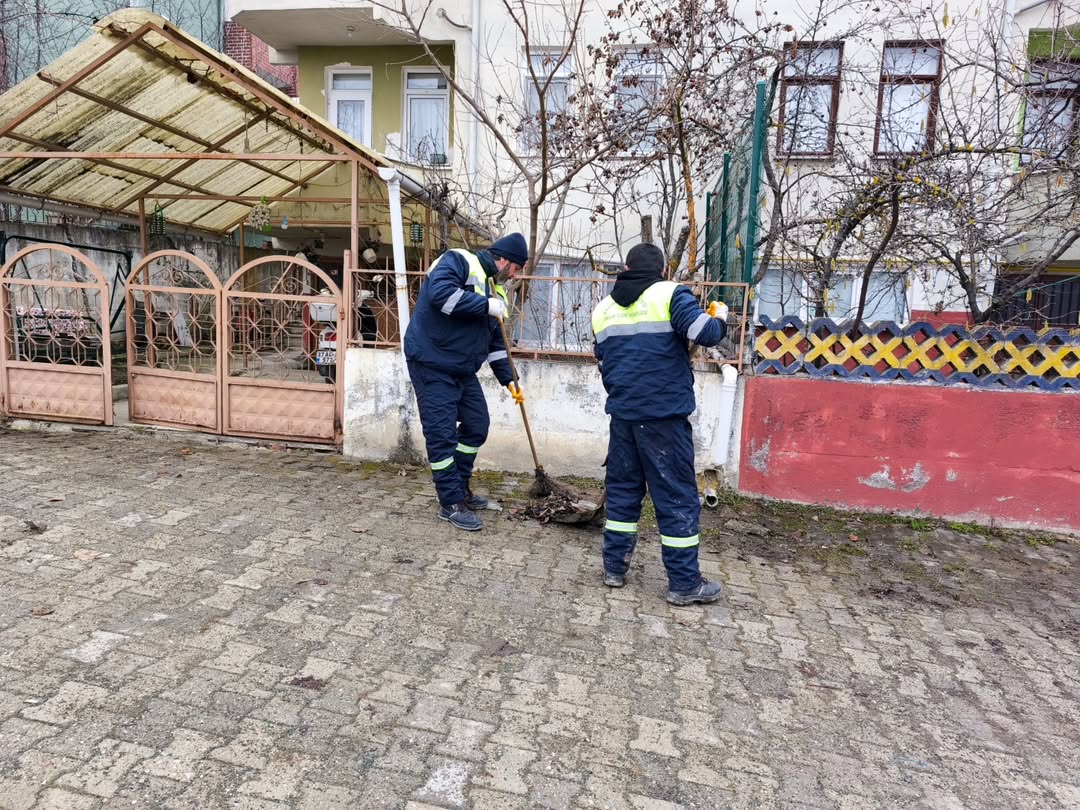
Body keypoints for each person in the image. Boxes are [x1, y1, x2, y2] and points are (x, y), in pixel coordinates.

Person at [591, 242, 729, 605]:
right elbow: (708, 334)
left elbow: (605, 365)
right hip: (664, 419)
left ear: (626, 267)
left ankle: (613, 570)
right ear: (662, 270)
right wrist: (720, 316)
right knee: (676, 498)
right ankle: (684, 584)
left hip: (623, 416)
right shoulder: (671, 294)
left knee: (623, 492)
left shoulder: (603, 310)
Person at [404, 233, 529, 531]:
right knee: (442, 435)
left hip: (461, 368)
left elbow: (495, 342)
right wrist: (485, 305)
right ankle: (449, 502)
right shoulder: (457, 260)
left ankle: (460, 489)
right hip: (431, 362)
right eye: (516, 268)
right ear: (504, 259)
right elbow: (441, 297)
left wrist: (509, 381)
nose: (516, 275)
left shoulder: (494, 289)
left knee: (476, 425)